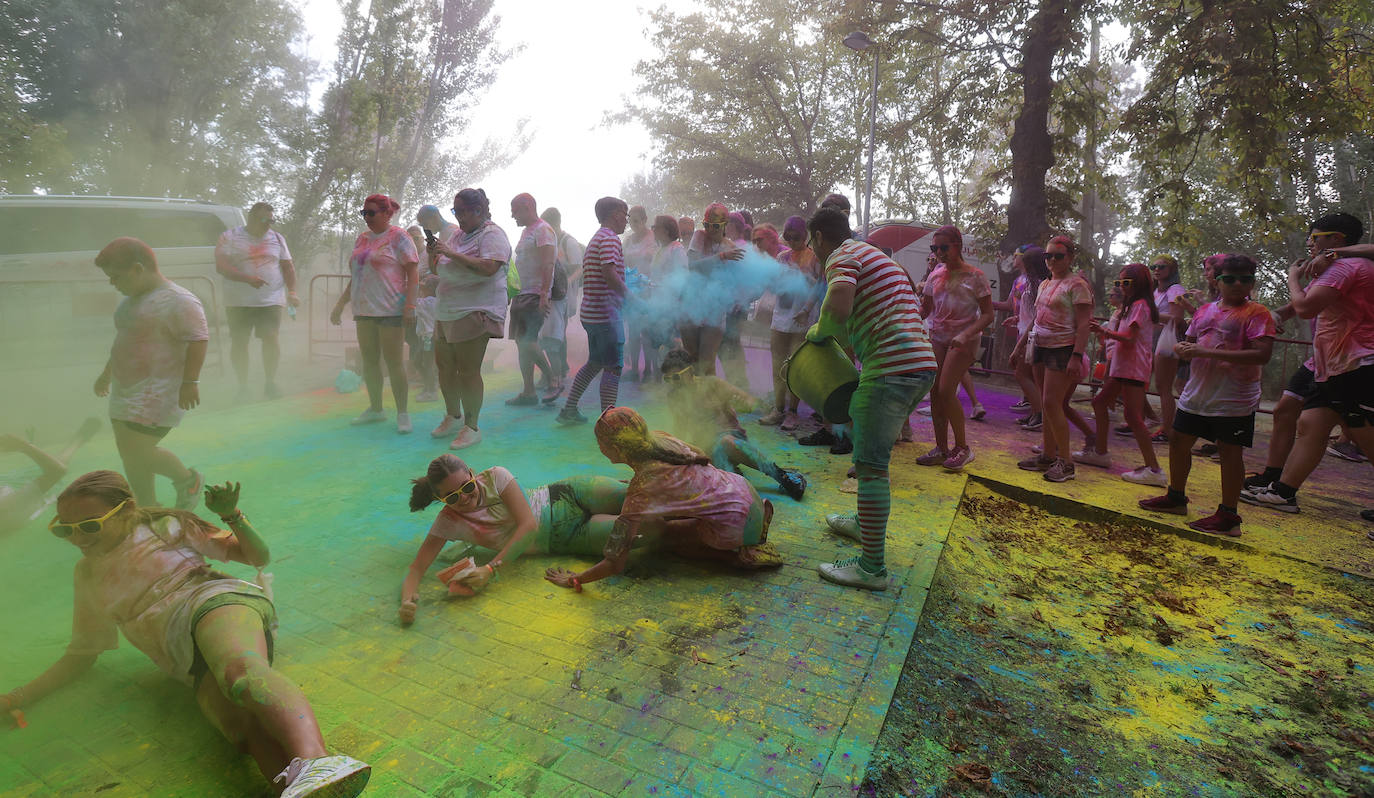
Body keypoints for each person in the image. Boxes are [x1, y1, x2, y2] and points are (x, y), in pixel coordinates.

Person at [2, 470, 370, 797]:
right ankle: (298, 791)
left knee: (239, 672)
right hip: (180, 654)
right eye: (64, 529)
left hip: (213, 602)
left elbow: (257, 556)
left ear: (126, 509)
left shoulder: (164, 527)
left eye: (89, 525)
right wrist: (19, 695)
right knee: (239, 729)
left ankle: (318, 761)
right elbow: (82, 653)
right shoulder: (87, 575)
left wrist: (232, 516)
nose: (77, 537)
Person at [806, 208, 937, 590]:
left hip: (891, 369)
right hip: (919, 365)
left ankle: (871, 568)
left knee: (870, 465)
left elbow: (839, 306)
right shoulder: (877, 256)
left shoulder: (842, 256)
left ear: (817, 237)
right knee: (872, 457)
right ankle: (865, 524)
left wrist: (819, 331)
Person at [543, 407, 781, 589]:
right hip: (747, 494)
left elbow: (614, 562)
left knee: (664, 535)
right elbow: (700, 456)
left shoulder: (642, 488)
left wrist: (576, 579)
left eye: (601, 444)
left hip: (736, 521)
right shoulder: (659, 438)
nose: (599, 449)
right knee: (676, 514)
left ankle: (736, 557)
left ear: (615, 449)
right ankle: (743, 533)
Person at [1242, 213, 1374, 516]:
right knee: (1310, 424)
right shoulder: (1341, 266)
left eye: (1315, 237)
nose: (1310, 243)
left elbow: (1304, 307)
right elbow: (1303, 306)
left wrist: (1292, 277)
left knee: (1365, 436)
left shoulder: (1344, 267)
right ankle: (1283, 492)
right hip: (1334, 365)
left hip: (1356, 362)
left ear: (1336, 239)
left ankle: (1281, 487)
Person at [397, 454, 628, 624]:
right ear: (439, 497)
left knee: (644, 497)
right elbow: (416, 569)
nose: (465, 497)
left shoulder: (496, 476)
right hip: (569, 537)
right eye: (453, 497)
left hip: (568, 493)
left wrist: (490, 569)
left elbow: (528, 527)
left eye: (467, 486)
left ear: (471, 473)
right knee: (644, 529)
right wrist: (407, 601)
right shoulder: (448, 521)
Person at [1138, 254, 1276, 535]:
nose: (1238, 284)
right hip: (1197, 394)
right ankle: (1176, 497)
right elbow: (1189, 343)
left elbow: (1262, 355)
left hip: (1234, 399)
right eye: (1230, 279)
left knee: (1229, 452)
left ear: (1252, 282)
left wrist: (1203, 351)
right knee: (1178, 442)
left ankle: (1228, 516)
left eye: (1245, 279)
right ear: (1218, 281)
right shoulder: (1204, 311)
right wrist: (1182, 350)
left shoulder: (1257, 313)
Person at [93, 237, 210, 509]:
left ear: (137, 268)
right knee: (129, 452)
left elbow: (198, 338)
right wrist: (106, 373)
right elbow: (122, 342)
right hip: (125, 390)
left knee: (139, 451)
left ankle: (187, 480)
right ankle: (147, 506)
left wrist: (190, 381)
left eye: (115, 276)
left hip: (156, 391)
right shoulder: (129, 302)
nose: (113, 283)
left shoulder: (179, 300)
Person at [425, 188, 511, 450]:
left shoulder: (493, 234)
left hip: (475, 310)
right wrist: (434, 253)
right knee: (445, 367)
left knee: (468, 371)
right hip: (447, 309)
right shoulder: (458, 235)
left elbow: (488, 268)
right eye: (455, 211)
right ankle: (453, 415)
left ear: (479, 210)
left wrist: (449, 254)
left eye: (462, 211)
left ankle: (472, 427)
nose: (459, 216)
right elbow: (437, 267)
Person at [660, 348, 806, 500]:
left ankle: (785, 477)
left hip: (730, 439)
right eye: (667, 379)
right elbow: (680, 430)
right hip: (706, 449)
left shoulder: (712, 384)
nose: (672, 383)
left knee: (725, 443)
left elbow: (748, 401)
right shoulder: (674, 397)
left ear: (689, 371)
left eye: (676, 377)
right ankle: (732, 476)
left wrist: (745, 404)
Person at [330, 193, 419, 433]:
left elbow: (413, 272)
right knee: (369, 361)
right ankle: (376, 408)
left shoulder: (399, 237)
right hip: (364, 309)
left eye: (371, 213)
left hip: (391, 308)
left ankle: (402, 413)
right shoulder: (362, 239)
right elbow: (357, 276)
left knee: (393, 362)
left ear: (387, 214)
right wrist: (340, 304)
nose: (366, 217)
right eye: (364, 213)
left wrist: (410, 305)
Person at [1015, 235, 1094, 483]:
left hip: (1063, 348)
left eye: (1058, 256)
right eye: (1047, 256)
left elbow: (1084, 325)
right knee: (1046, 401)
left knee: (1051, 403)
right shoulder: (1045, 284)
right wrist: (1019, 346)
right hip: (1040, 345)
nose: (1051, 260)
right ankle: (1048, 455)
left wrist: (1077, 356)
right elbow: (1037, 319)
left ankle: (1066, 462)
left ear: (1069, 258)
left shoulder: (1077, 285)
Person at [914, 225, 993, 471]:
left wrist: (967, 333)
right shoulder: (935, 276)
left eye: (944, 247)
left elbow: (988, 315)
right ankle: (941, 448)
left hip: (964, 340)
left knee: (947, 389)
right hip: (938, 337)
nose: (938, 252)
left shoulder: (976, 276)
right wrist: (909, 317)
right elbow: (926, 309)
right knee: (936, 391)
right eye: (934, 248)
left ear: (957, 246)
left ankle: (963, 448)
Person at [1082, 263, 1166, 484]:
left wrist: (1104, 331)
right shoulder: (1131, 306)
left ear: (1138, 283)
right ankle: (1100, 452)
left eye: (1125, 282)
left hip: (1133, 367)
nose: (1121, 287)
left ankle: (1154, 470)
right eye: (1119, 283)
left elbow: (1129, 337)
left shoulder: (1140, 305)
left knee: (1132, 416)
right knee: (1100, 403)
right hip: (1123, 366)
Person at [557, 197, 630, 425]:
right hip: (605, 315)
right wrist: (631, 297)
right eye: (624, 214)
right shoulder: (609, 238)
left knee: (595, 363)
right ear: (615, 213)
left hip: (593, 314)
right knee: (613, 367)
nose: (626, 220)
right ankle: (608, 421)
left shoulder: (597, 238)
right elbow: (609, 273)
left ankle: (569, 411)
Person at [215, 202, 298, 401]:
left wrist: (293, 291)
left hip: (270, 300)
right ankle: (243, 386)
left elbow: (288, 267)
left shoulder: (277, 238)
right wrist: (247, 279)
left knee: (271, 338)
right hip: (238, 301)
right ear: (251, 217)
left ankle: (270, 382)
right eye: (263, 220)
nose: (268, 224)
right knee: (240, 342)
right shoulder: (229, 237)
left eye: (271, 220)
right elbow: (221, 266)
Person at [760, 216, 821, 430]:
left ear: (806, 236)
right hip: (781, 318)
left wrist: (804, 279)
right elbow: (773, 286)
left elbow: (821, 287)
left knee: (795, 367)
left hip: (803, 319)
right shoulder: (782, 257)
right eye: (788, 237)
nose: (792, 241)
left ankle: (793, 412)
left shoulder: (814, 258)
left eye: (796, 237)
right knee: (778, 365)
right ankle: (778, 409)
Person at [0, 419, 101, 536]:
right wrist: (24, 446)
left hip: (12, 488)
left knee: (48, 467)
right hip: (22, 493)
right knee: (58, 463)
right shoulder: (9, 507)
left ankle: (77, 441)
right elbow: (57, 472)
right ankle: (77, 442)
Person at [681, 203, 744, 376]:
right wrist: (721, 257)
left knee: (707, 363)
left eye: (715, 226)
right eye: (707, 224)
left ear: (724, 225)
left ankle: (711, 402)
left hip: (715, 309)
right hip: (691, 304)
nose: (710, 229)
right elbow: (692, 266)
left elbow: (735, 282)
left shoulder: (731, 247)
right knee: (692, 360)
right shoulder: (699, 236)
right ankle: (695, 401)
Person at [506, 193, 557, 406]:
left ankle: (553, 378)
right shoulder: (527, 231)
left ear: (528, 207)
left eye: (515, 210)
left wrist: (544, 294)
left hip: (535, 294)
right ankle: (528, 392)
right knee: (521, 342)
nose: (512, 215)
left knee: (528, 340)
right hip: (521, 293)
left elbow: (548, 264)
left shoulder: (543, 230)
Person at [538, 208, 584, 403]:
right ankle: (557, 368)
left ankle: (559, 371)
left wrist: (565, 283)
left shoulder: (568, 242)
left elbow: (580, 268)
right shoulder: (549, 241)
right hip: (553, 294)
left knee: (558, 332)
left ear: (556, 223)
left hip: (565, 296)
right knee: (552, 332)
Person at [1150, 254, 1188, 443]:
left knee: (1164, 387)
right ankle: (1145, 421)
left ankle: (1167, 429)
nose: (1157, 270)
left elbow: (1176, 318)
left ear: (1172, 270)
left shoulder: (1176, 289)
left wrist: (1150, 313)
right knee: (1138, 383)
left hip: (1166, 341)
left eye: (1162, 267)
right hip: (1150, 339)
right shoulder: (1155, 291)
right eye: (1153, 266)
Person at [622, 205, 659, 382]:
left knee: (647, 332)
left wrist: (634, 261)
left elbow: (652, 259)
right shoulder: (628, 240)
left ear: (644, 220)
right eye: (631, 221)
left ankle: (650, 370)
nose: (633, 224)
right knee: (634, 332)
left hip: (648, 290)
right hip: (631, 290)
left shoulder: (653, 238)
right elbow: (622, 260)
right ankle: (635, 369)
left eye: (636, 221)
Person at [404, 227, 439, 402]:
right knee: (419, 361)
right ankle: (429, 386)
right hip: (423, 336)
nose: (422, 284)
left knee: (426, 361)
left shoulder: (430, 302)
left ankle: (431, 389)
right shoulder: (423, 302)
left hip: (429, 338)